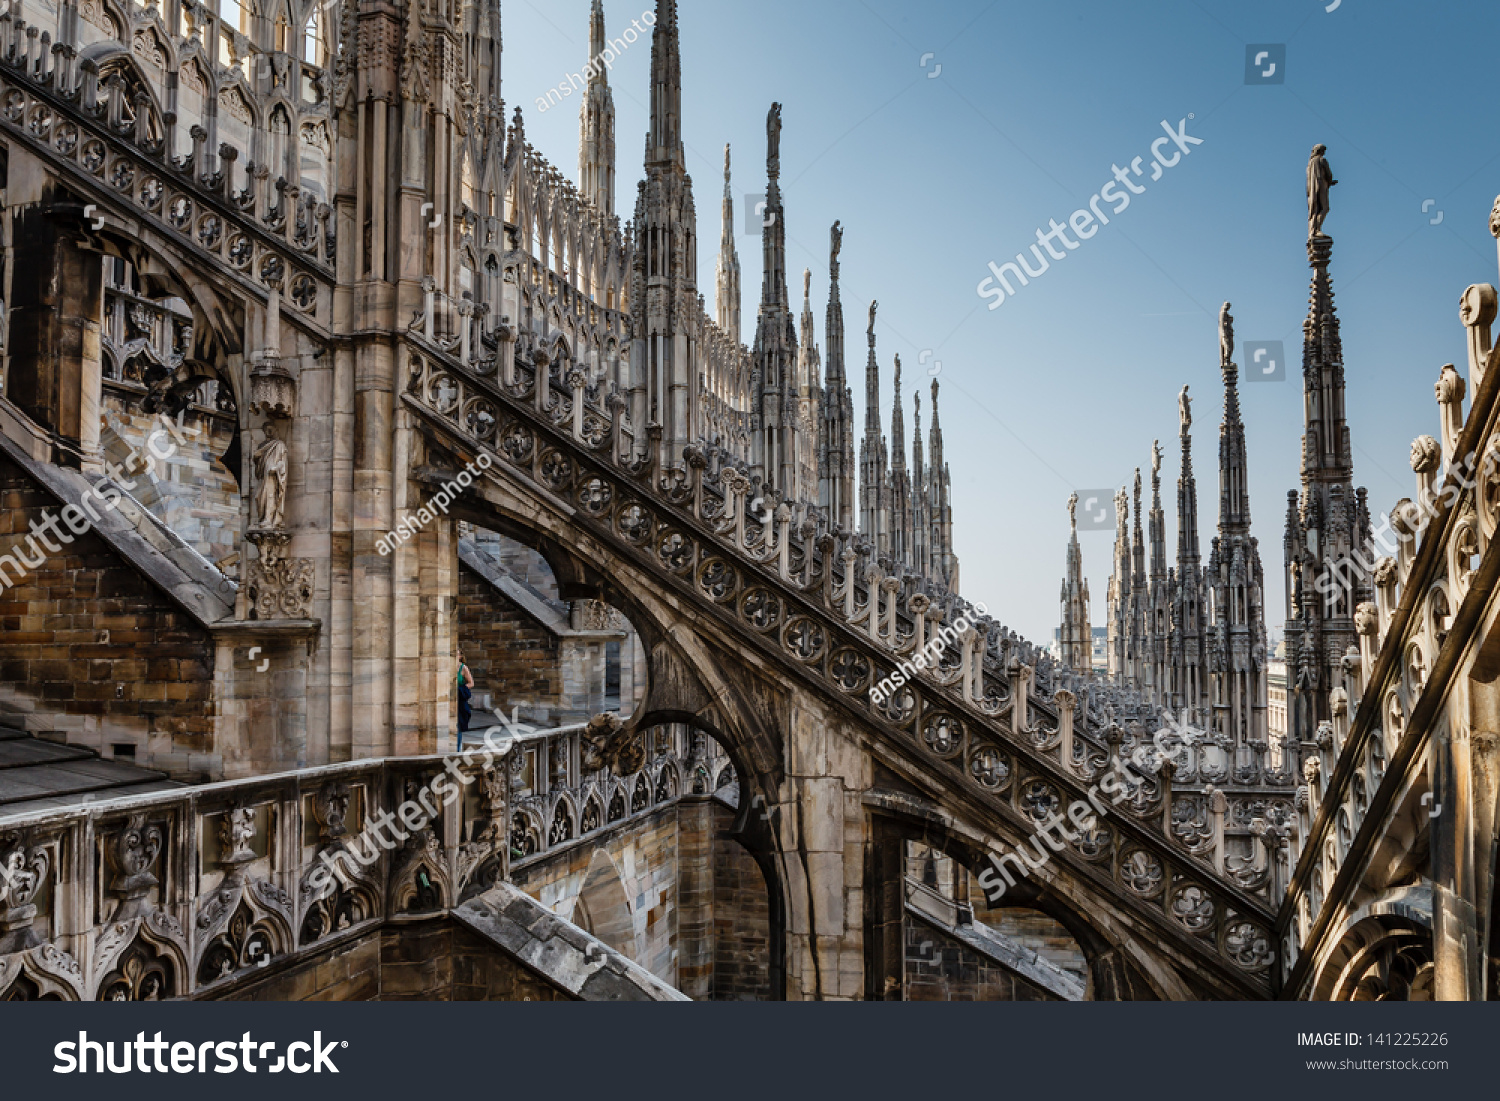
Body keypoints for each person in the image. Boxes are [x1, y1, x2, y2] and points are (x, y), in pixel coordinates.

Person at [456, 650, 475, 749]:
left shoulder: (463, 668)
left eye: (456, 654)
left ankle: (457, 749)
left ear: (460, 656)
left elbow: (471, 683)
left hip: (459, 699)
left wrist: (460, 689)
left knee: (458, 723)